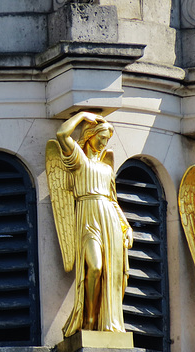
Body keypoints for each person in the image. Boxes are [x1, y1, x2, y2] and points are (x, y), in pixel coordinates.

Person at [48, 112, 133, 337]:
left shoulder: (107, 168)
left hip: (110, 219)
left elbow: (113, 200)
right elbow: (62, 134)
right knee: (94, 267)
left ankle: (101, 325)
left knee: (109, 272)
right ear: (90, 136)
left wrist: (126, 226)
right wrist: (81, 115)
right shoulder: (79, 161)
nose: (104, 143)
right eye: (102, 137)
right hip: (87, 217)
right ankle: (89, 319)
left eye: (107, 139)